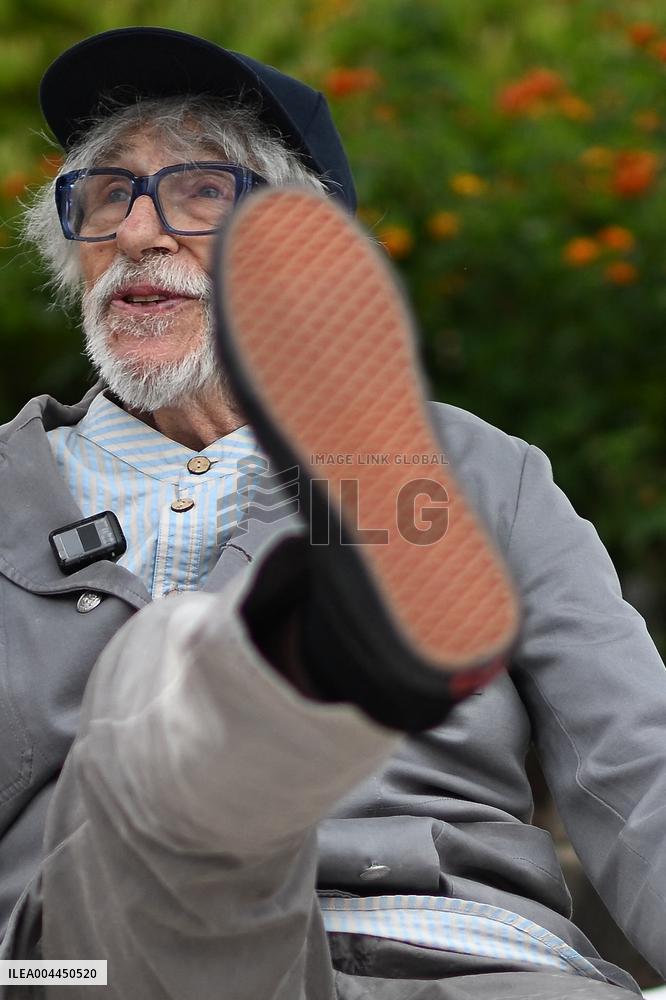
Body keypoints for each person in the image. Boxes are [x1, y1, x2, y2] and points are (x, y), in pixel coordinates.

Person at [0, 25, 664, 1000]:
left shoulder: (476, 470)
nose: (140, 232)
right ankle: (223, 691)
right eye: (108, 196)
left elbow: (638, 763)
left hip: (475, 961)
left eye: (199, 191)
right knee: (156, 703)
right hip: (90, 969)